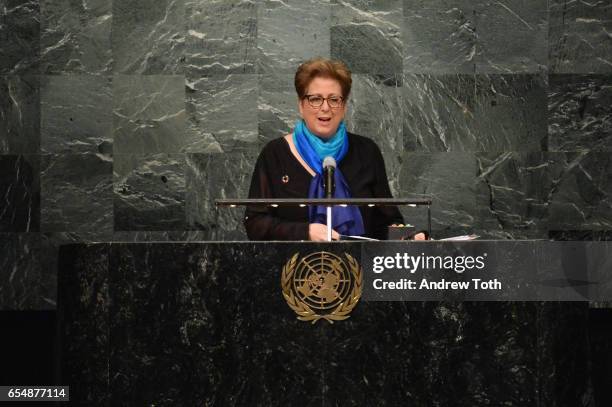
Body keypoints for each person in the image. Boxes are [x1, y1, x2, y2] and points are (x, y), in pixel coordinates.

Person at [244, 57, 425, 241]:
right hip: (292, 267)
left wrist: (405, 237)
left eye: (334, 99)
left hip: (358, 266)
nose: (325, 108)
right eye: (315, 99)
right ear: (301, 105)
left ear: (344, 106)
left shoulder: (367, 152)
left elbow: (388, 220)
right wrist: (305, 232)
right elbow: (255, 223)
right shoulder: (275, 154)